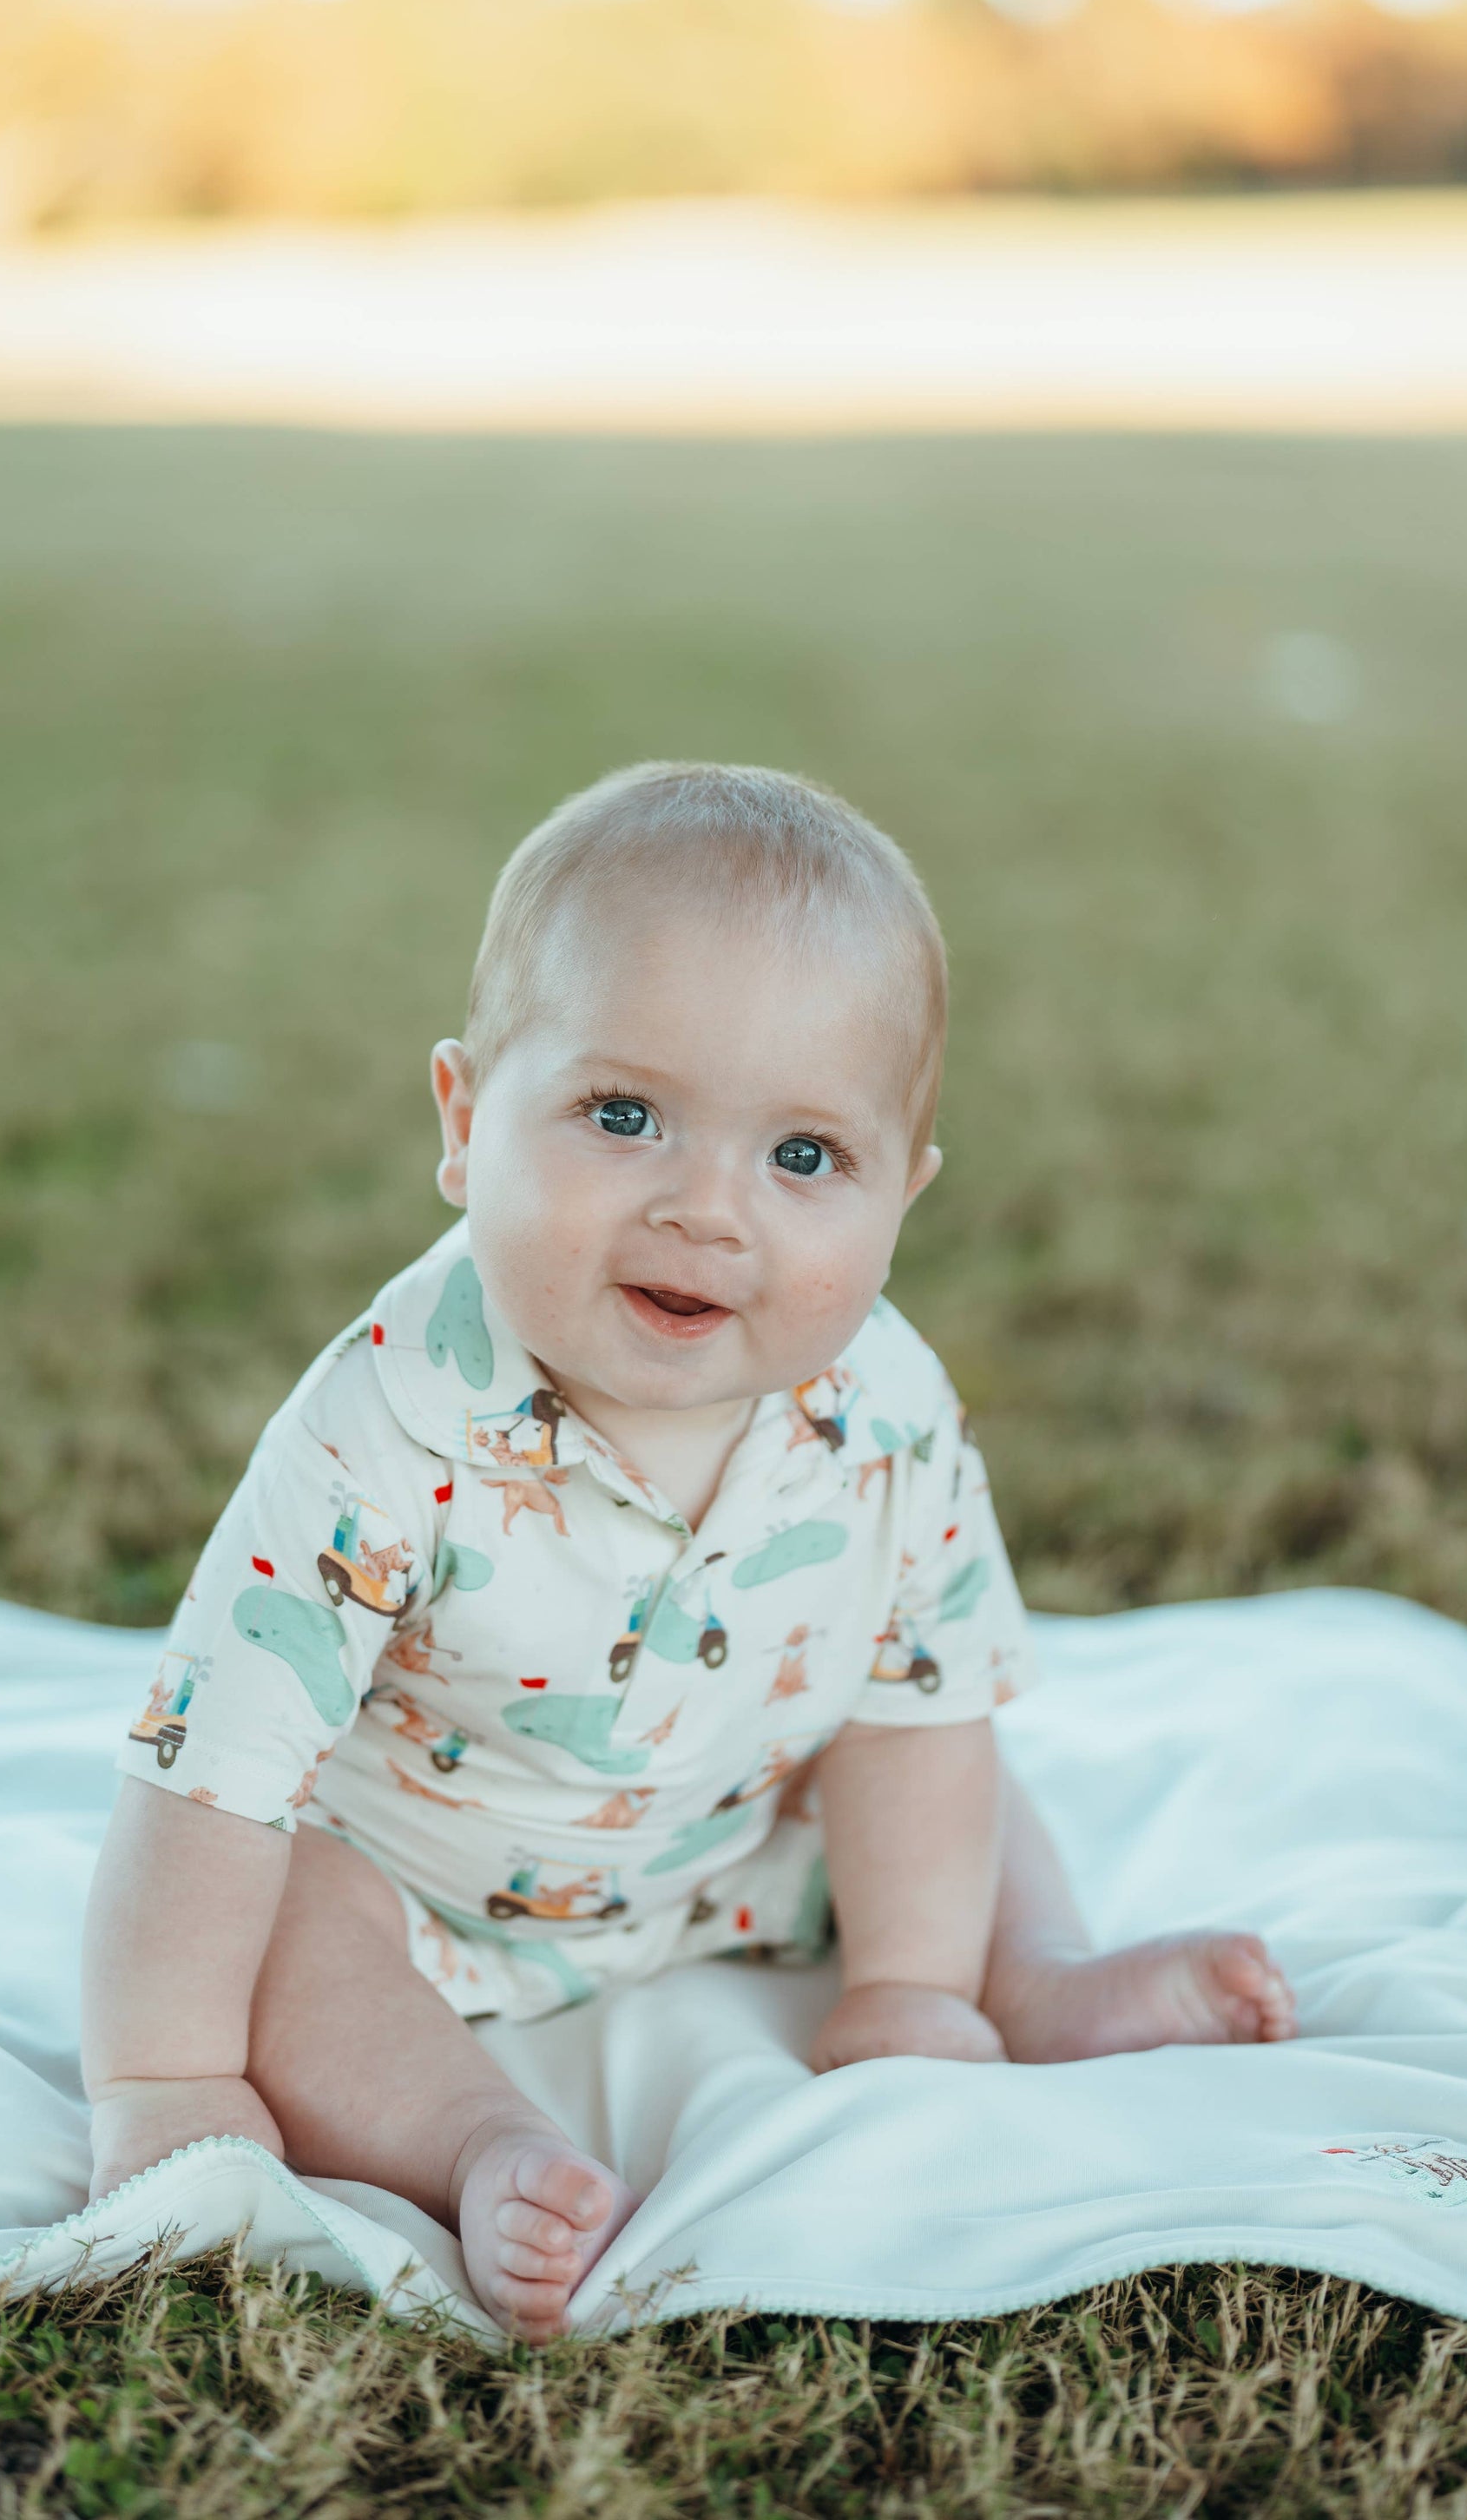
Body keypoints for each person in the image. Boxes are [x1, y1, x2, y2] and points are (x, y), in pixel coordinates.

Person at [80, 761, 1295, 2338]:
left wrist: (910, 1983)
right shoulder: (381, 1426)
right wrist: (160, 2076)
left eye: (804, 1158)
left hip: (739, 1834)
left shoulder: (889, 1413)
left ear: (902, 1193)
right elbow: (211, 1774)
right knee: (287, 1924)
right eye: (623, 1116)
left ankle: (1034, 1974)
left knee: (943, 1767)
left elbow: (920, 1695)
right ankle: (485, 2144)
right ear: (463, 1122)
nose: (706, 1213)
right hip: (428, 1888)